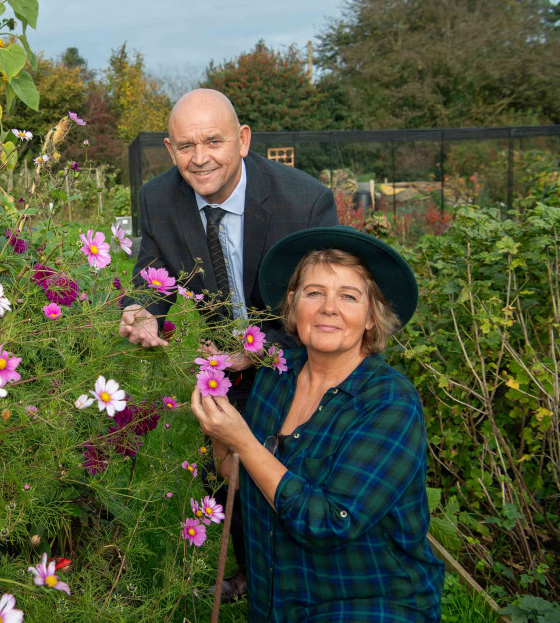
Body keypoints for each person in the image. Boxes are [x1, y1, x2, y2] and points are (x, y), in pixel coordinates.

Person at [118, 88, 338, 596]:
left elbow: (331, 306)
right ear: (170, 151)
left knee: (300, 470)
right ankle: (251, 570)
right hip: (226, 363)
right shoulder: (157, 198)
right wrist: (141, 314)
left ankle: (312, 574)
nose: (200, 158)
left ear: (242, 140)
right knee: (226, 470)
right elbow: (149, 277)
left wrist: (260, 350)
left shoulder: (303, 200)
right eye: (185, 146)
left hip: (304, 358)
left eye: (213, 141)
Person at [190, 226, 445, 621]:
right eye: (314, 293)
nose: (329, 307)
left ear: (371, 317)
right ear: (292, 306)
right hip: (278, 600)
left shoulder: (389, 402)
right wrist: (219, 425)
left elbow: (329, 523)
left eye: (348, 296)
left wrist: (243, 440)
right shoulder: (278, 374)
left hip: (366, 602)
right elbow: (237, 475)